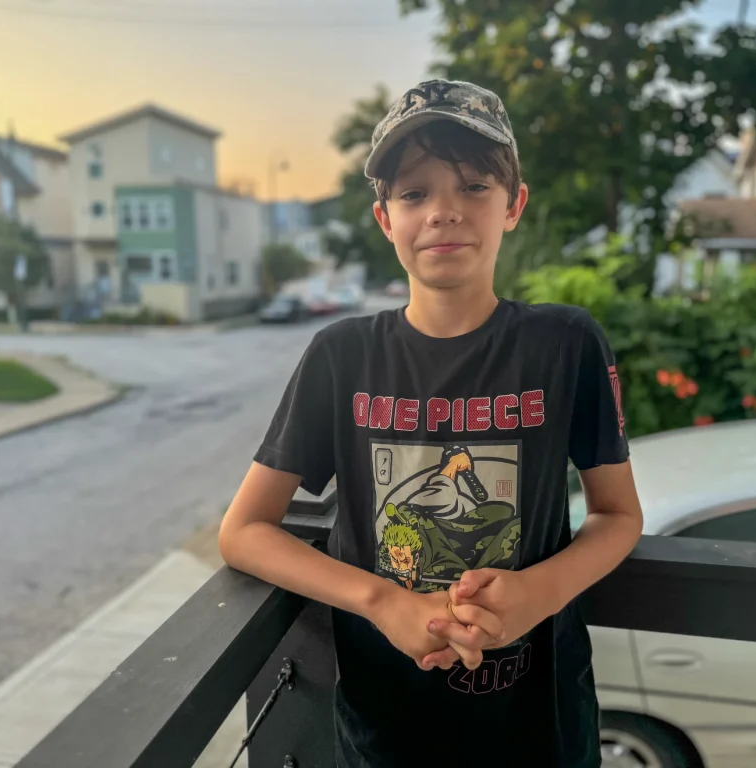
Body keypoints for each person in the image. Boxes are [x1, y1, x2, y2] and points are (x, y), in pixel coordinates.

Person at [219, 78, 644, 767]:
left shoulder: (566, 345)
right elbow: (244, 531)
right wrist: (382, 600)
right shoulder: (341, 355)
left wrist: (538, 592)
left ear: (515, 205)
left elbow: (619, 515)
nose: (443, 212)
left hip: (541, 729)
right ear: (385, 218)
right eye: (414, 193)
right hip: (386, 731)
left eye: (474, 186)